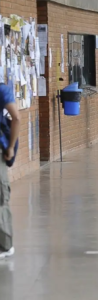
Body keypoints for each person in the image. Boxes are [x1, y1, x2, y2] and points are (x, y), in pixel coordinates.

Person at [0, 84, 20, 259]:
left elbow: (16, 118)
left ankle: (5, 246)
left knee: (1, 197)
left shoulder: (2, 90)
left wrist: (11, 147)